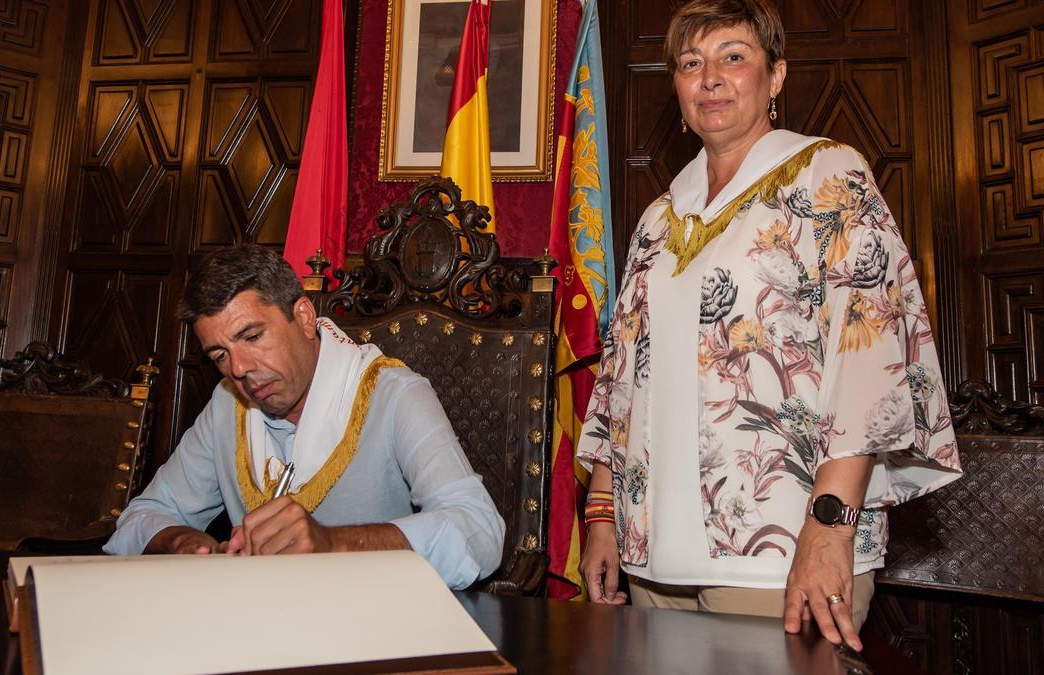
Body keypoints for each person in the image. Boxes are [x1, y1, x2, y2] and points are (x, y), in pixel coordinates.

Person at [576, 0, 962, 652]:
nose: (710, 79)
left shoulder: (827, 175)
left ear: (776, 75)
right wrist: (603, 514)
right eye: (691, 63)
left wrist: (831, 527)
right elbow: (621, 381)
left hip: (781, 553)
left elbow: (869, 363)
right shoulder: (656, 219)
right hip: (653, 561)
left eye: (734, 57)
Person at [104, 244, 505, 590]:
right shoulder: (227, 406)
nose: (239, 368)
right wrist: (186, 546)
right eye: (219, 355)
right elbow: (141, 517)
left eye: (252, 336)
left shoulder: (394, 394)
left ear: (304, 317)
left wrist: (334, 544)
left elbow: (480, 531)